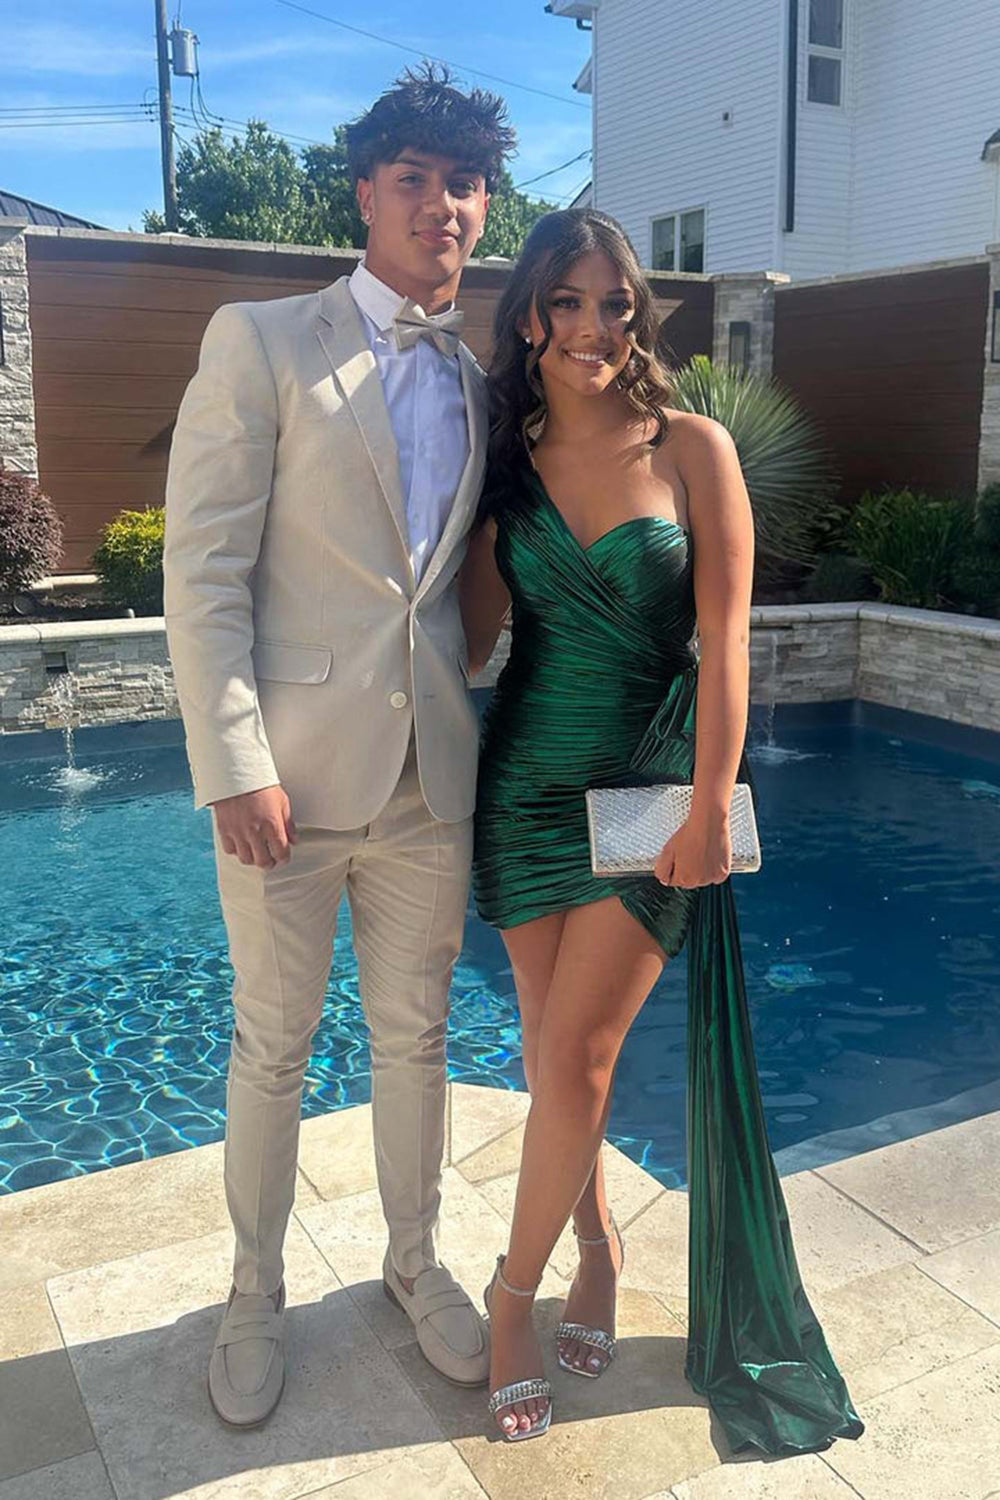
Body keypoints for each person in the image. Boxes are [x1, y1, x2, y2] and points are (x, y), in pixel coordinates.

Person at [460, 208, 864, 1453]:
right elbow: (468, 640)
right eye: (566, 302)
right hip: (526, 784)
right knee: (551, 1061)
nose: (593, 327)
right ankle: (594, 1246)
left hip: (651, 789)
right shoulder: (505, 460)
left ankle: (510, 1298)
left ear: (636, 317)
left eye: (615, 304)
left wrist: (708, 802)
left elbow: (728, 642)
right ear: (530, 316)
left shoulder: (692, 447)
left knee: (581, 1056)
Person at [163, 65, 516, 1427]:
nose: (441, 205)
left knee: (416, 1041)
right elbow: (204, 570)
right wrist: (234, 764)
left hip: (432, 781)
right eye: (414, 178)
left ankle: (413, 1263)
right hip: (288, 785)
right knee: (272, 1047)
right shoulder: (260, 341)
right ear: (365, 192)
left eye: (464, 183)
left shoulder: (481, 382)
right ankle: (253, 1291)